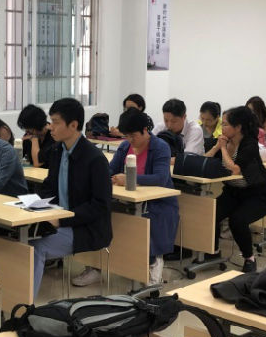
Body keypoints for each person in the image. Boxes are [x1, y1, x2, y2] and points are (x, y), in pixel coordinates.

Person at [30, 98, 112, 300]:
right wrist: (34, 206)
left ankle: (25, 305)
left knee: (35, 248)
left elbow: (100, 205)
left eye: (56, 122)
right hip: (59, 221)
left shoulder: (95, 159)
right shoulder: (58, 150)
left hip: (86, 229)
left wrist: (62, 219)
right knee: (18, 238)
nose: (51, 127)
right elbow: (49, 187)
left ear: (73, 125)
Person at [107, 108, 178, 285]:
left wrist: (130, 179)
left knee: (143, 222)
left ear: (145, 130)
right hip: (129, 201)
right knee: (105, 215)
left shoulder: (160, 147)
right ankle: (99, 264)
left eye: (133, 136)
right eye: (127, 136)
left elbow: (161, 178)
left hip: (158, 202)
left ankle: (154, 261)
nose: (130, 140)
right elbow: (111, 169)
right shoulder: (125, 147)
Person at [203, 106, 266, 273]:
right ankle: (213, 251)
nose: (222, 128)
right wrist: (217, 147)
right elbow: (204, 161)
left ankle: (249, 258)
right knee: (211, 213)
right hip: (233, 193)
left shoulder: (249, 144)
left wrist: (223, 149)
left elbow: (235, 169)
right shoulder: (224, 141)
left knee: (238, 220)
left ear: (238, 127)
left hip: (258, 195)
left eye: (226, 124)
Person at [17, 103, 56, 168]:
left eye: (29, 128)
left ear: (36, 125)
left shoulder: (53, 136)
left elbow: (37, 163)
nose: (26, 131)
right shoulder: (29, 134)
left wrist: (34, 139)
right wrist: (19, 143)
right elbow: (15, 159)